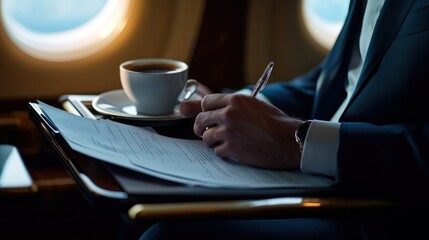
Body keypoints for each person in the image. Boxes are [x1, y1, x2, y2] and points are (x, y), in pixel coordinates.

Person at [140, 0, 429, 239]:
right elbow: (337, 82)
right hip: (319, 182)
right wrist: (235, 106)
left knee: (169, 234)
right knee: (144, 209)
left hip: (384, 209)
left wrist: (294, 142)